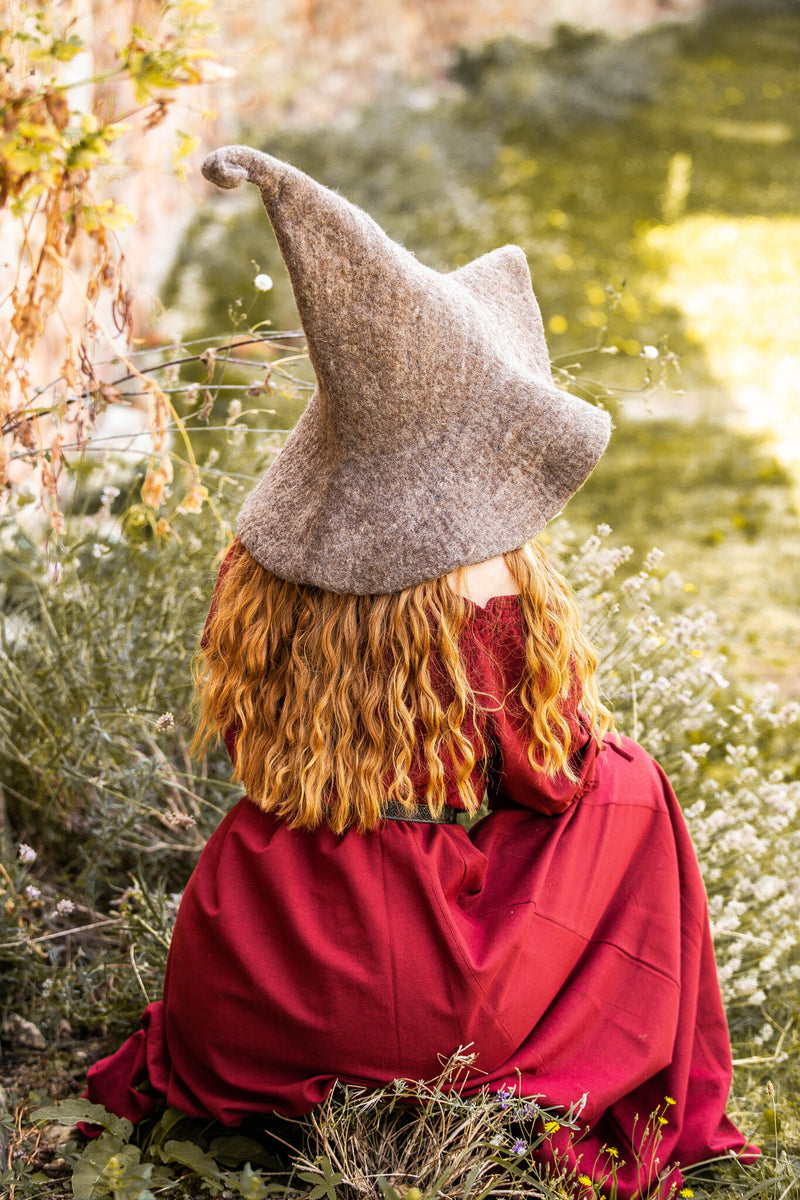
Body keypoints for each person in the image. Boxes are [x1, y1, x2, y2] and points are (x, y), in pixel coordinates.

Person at [86, 147, 757, 1197]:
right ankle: (593, 1068)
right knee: (622, 781)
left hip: (258, 964)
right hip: (435, 999)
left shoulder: (264, 557)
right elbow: (541, 773)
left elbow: (249, 747)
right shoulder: (483, 580)